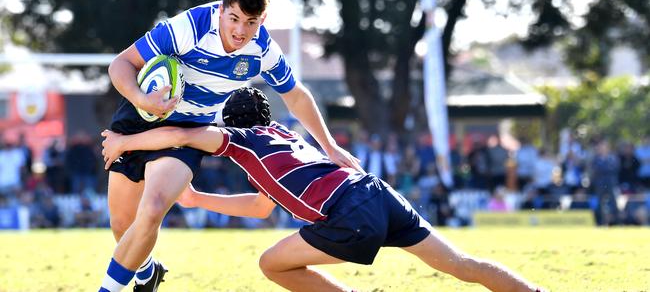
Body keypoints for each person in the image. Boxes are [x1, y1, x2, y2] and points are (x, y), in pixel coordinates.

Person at [102, 88, 544, 292]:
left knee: (272, 264)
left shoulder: (240, 142)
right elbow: (260, 208)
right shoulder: (286, 137)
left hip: (346, 213)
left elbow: (178, 136)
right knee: (463, 264)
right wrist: (198, 199)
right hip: (376, 192)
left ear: (228, 124)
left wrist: (125, 141)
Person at [100, 0, 359, 292]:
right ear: (222, 9)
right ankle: (147, 272)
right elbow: (120, 64)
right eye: (234, 18)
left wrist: (330, 147)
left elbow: (295, 95)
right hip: (139, 116)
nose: (240, 31)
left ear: (262, 20)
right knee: (123, 226)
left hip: (187, 133)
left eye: (251, 22)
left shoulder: (262, 49)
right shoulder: (191, 26)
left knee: (151, 210)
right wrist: (143, 98)